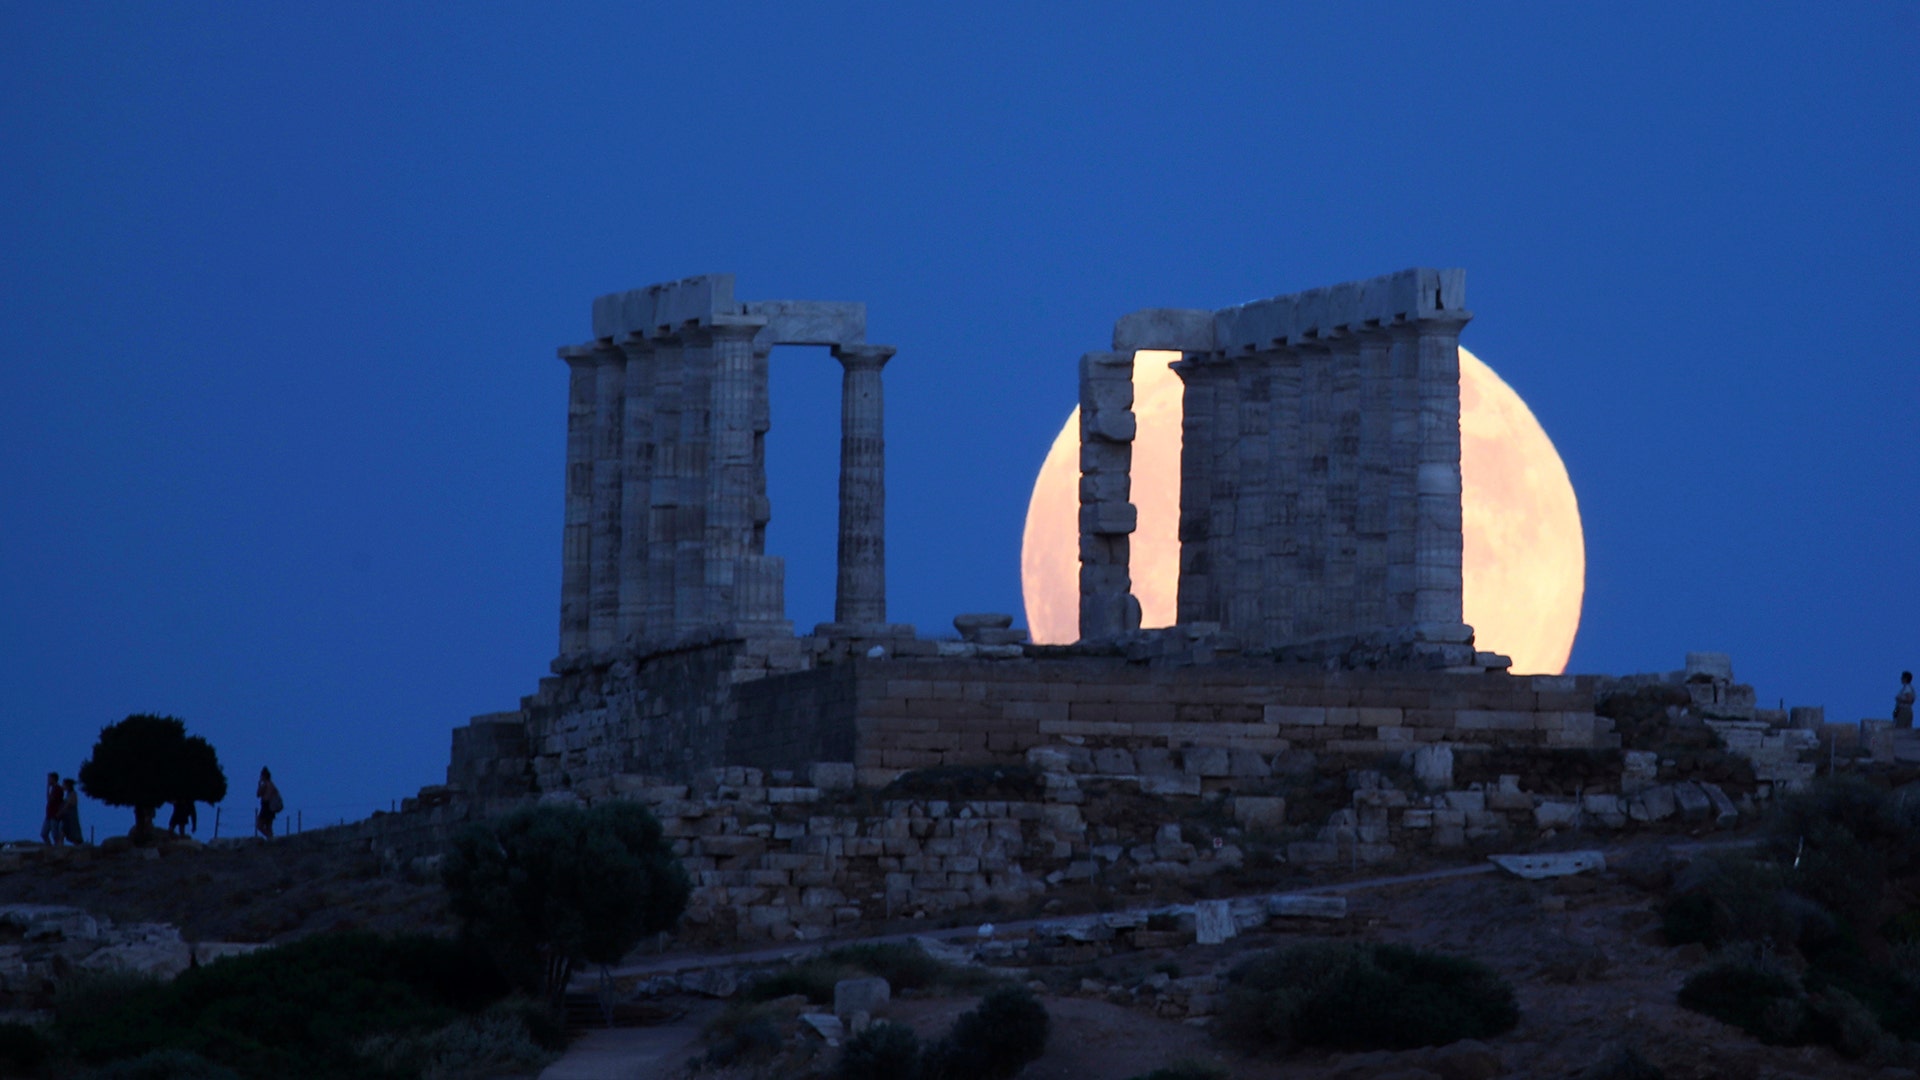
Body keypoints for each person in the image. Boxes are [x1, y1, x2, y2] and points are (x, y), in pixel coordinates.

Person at [256, 767, 282, 839]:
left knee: (259, 825)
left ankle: (270, 837)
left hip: (266, 806)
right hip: (270, 807)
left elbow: (258, 794)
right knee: (269, 826)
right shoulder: (272, 785)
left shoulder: (265, 784)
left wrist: (259, 784)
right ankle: (270, 839)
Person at [39, 772, 63, 846]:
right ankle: (50, 847)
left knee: (55, 835)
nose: (48, 780)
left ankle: (57, 848)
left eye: (49, 778)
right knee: (43, 833)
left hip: (54, 815)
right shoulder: (53, 789)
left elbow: (50, 799)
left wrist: (47, 788)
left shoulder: (58, 789)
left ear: (53, 779)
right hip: (49, 815)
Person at [60, 778, 83, 845]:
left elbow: (67, 805)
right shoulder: (68, 794)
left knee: (73, 833)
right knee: (63, 831)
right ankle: (60, 846)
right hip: (67, 816)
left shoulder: (73, 794)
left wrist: (59, 813)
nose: (62, 786)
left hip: (71, 817)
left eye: (64, 784)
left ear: (67, 785)